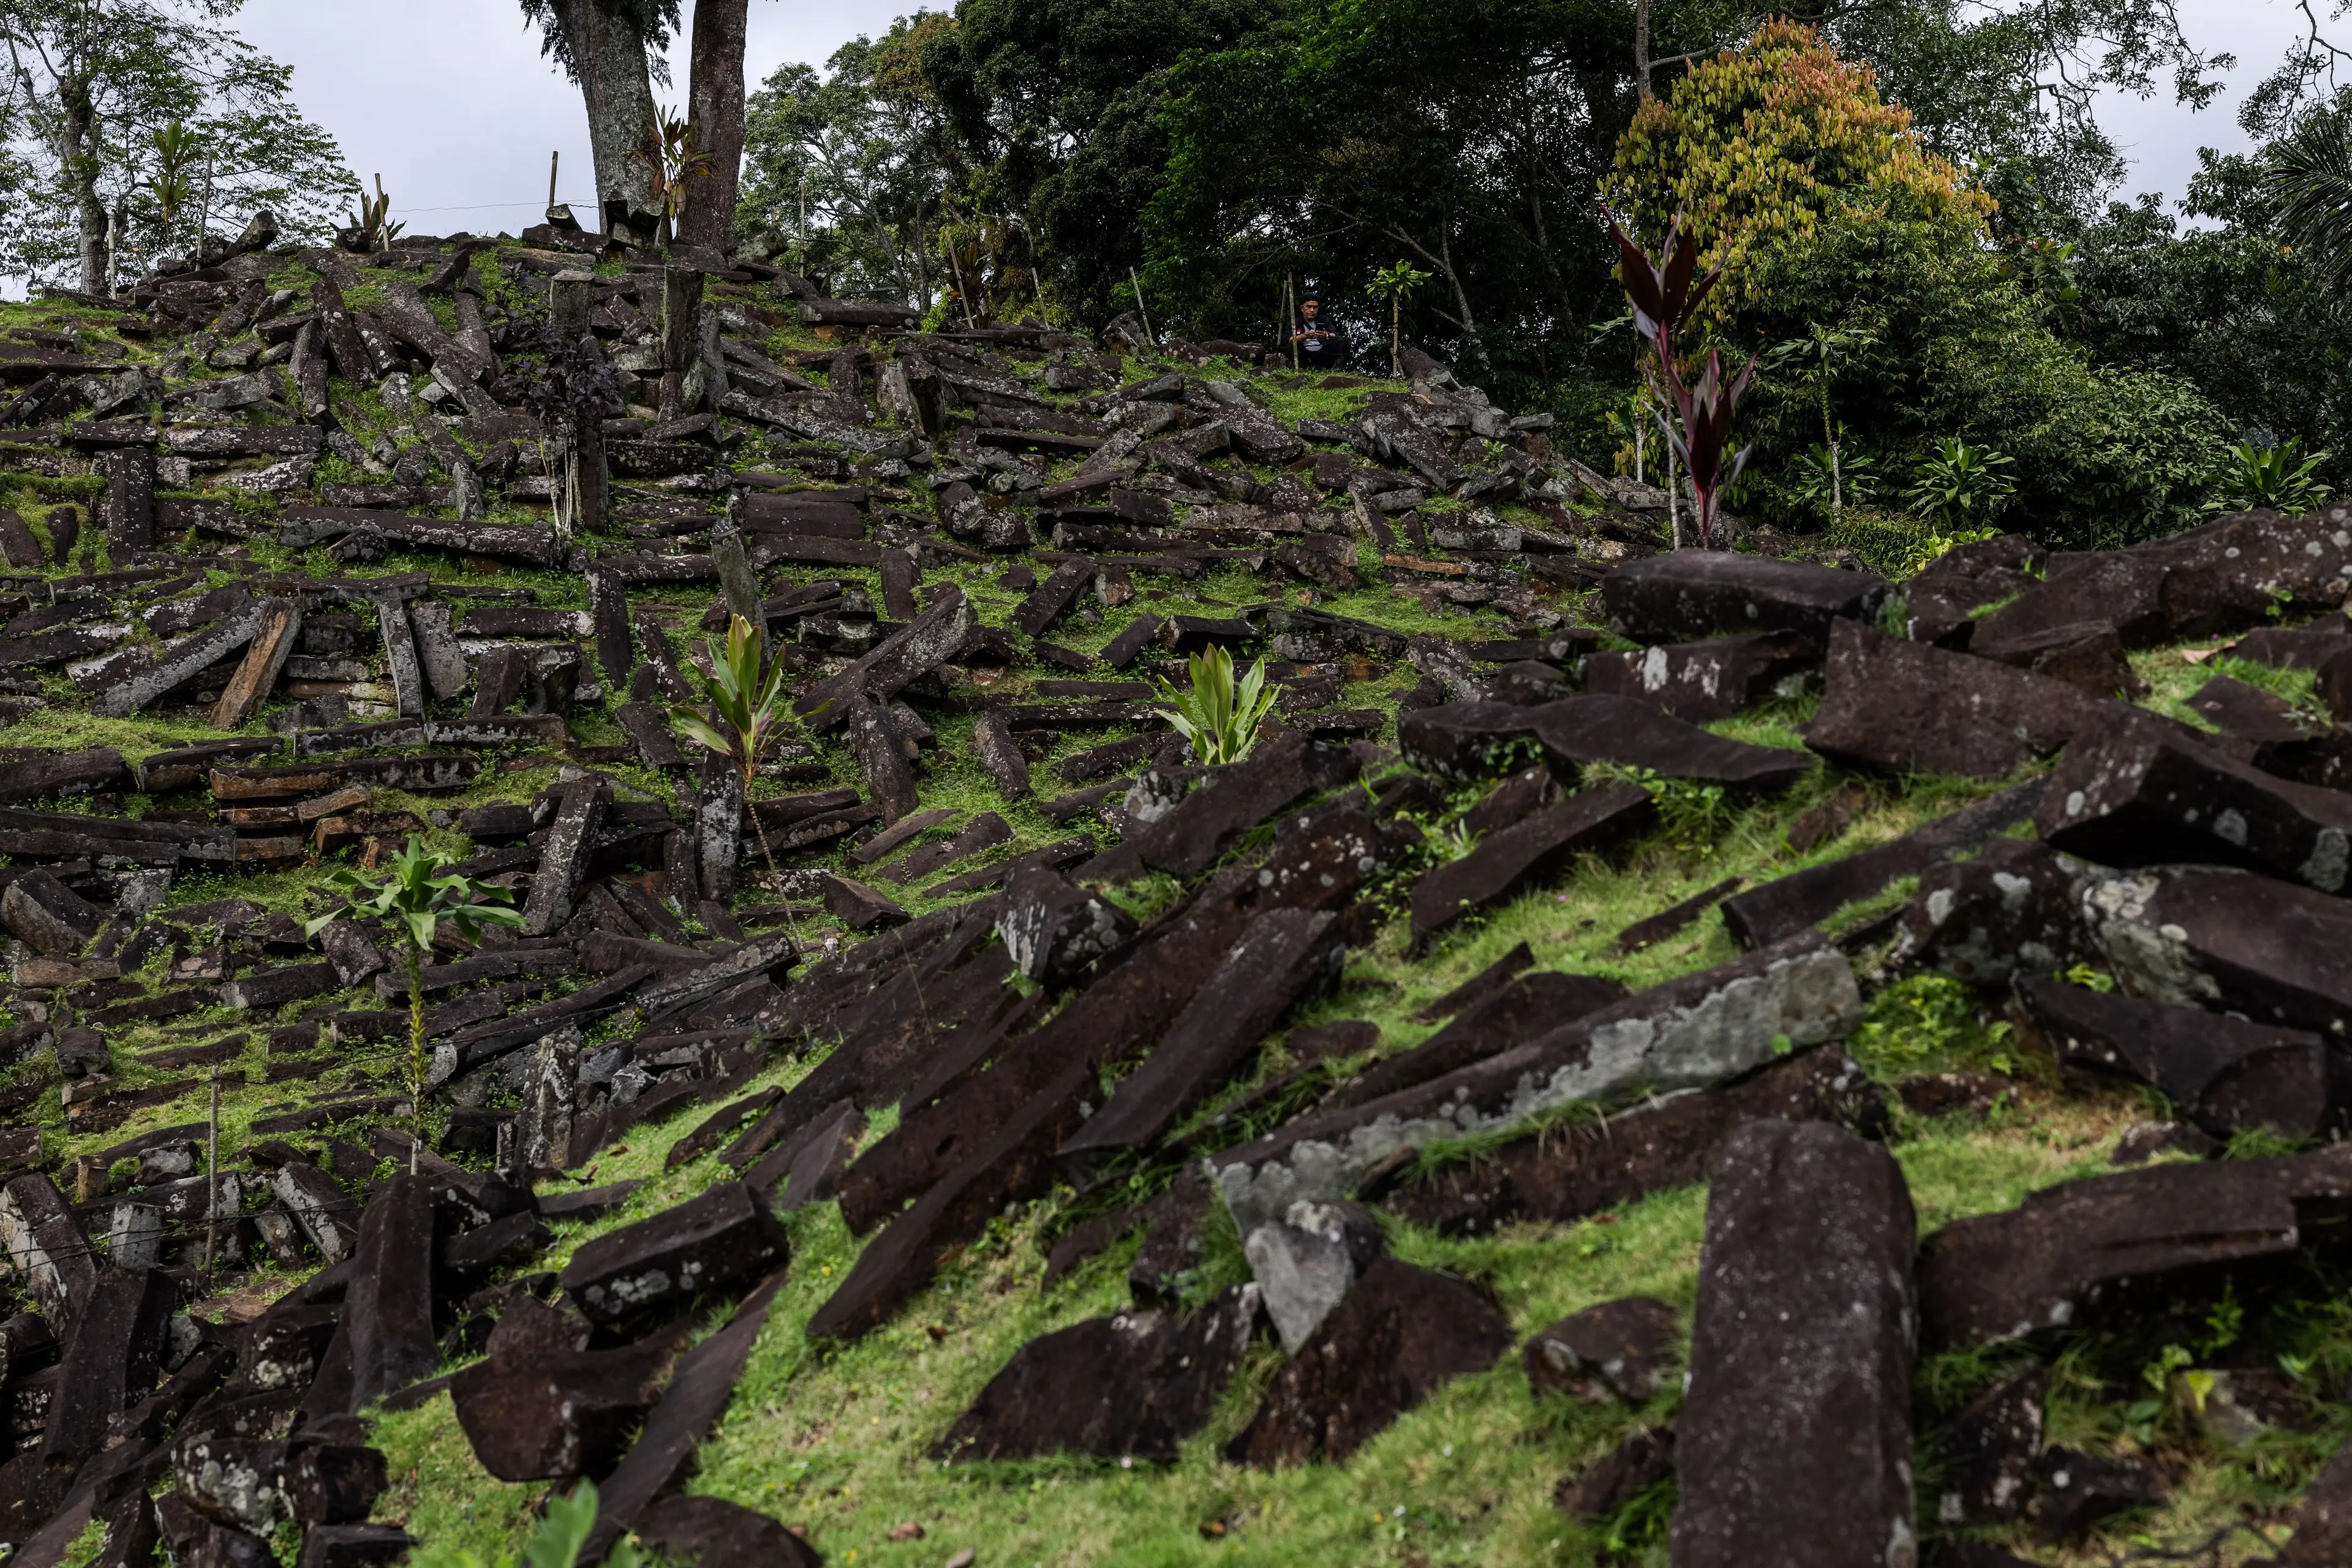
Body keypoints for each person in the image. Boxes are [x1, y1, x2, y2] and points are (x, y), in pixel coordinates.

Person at [1292, 296, 1343, 370]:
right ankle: (1299, 368)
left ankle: (1335, 369)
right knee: (1292, 345)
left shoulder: (1324, 319)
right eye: (1309, 307)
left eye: (1315, 307)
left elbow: (1335, 334)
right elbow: (1289, 340)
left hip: (1323, 353)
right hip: (1304, 354)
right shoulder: (1295, 322)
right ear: (1302, 308)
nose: (1312, 310)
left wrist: (1327, 335)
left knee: (1339, 341)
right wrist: (1305, 336)